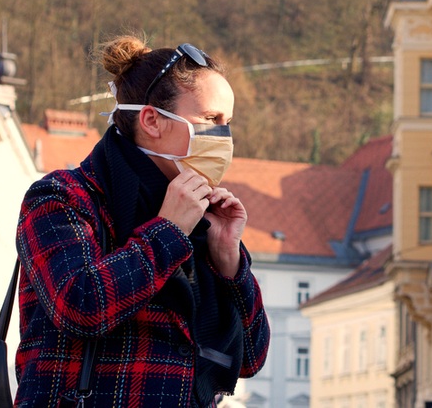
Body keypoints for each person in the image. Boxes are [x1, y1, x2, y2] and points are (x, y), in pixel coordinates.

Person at [14, 36, 270, 407]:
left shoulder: (202, 215)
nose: (223, 136)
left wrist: (229, 260)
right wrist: (168, 230)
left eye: (227, 122)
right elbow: (81, 306)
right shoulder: (63, 197)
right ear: (152, 120)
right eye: (211, 119)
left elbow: (250, 358)